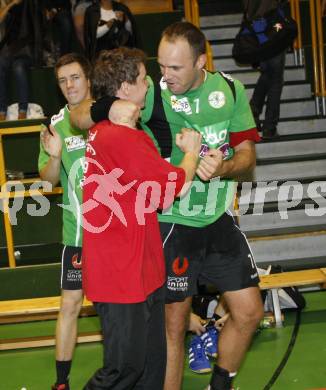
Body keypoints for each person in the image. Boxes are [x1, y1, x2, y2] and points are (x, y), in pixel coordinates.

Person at [70, 21, 264, 390]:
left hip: (218, 216)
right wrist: (108, 107)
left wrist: (224, 167)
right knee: (171, 326)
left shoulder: (230, 89)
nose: (165, 75)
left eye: (175, 67)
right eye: (160, 66)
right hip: (172, 221)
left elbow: (247, 157)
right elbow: (80, 115)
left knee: (250, 311)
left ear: (199, 62)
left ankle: (220, 383)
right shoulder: (151, 94)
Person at [81, 47, 202, 390]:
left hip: (141, 270)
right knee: (124, 370)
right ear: (123, 89)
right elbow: (173, 187)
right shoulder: (118, 136)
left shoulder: (114, 131)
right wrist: (192, 152)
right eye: (142, 78)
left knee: (151, 369)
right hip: (120, 277)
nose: (149, 83)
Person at [38, 52, 137, 390]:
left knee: (119, 306)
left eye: (75, 77)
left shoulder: (110, 114)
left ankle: (122, 373)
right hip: (78, 234)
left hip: (116, 233)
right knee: (70, 304)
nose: (69, 85)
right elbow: (49, 180)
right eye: (63, 81)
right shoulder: (56, 124)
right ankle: (61, 382)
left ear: (89, 79)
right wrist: (54, 156)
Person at [243, 0, 287, 138]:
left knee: (267, 76)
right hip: (272, 34)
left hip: (258, 34)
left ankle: (253, 111)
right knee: (275, 82)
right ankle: (270, 127)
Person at [0, 0, 41, 120]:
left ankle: (22, 110)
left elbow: (35, 32)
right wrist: (11, 5)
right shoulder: (9, 8)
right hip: (10, 52)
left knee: (18, 68)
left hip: (26, 52)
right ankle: (1, 110)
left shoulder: (30, 5)